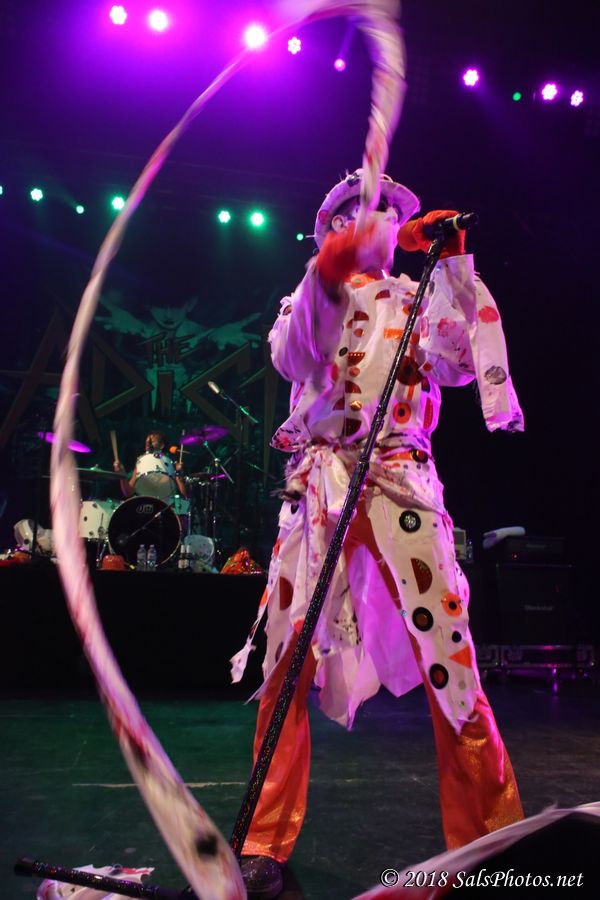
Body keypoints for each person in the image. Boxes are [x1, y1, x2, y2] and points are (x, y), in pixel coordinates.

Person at [235, 170, 525, 898]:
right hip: (320, 492)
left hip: (402, 485)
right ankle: (263, 839)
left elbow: (458, 361)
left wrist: (452, 266)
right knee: (284, 663)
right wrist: (326, 272)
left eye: (388, 214)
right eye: (355, 215)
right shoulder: (308, 299)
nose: (375, 223)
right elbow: (292, 355)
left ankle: (491, 845)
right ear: (330, 229)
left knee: (453, 668)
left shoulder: (416, 299)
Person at [113, 430, 188, 499]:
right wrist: (122, 475)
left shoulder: (171, 464)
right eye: (147, 441)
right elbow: (128, 493)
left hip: (166, 505)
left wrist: (180, 479)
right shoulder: (141, 463)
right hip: (146, 504)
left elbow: (185, 497)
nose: (148, 442)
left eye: (152, 441)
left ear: (162, 445)